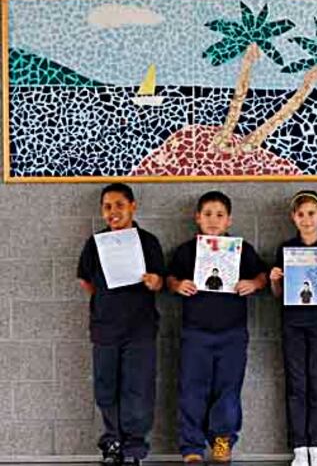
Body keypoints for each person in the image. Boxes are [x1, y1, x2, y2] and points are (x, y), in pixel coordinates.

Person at [167, 191, 268, 464]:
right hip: (195, 333)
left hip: (232, 333)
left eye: (220, 215)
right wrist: (177, 285)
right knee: (192, 388)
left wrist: (254, 284)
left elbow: (262, 275)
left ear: (229, 221)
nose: (213, 220)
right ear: (197, 217)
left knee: (228, 389)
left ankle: (222, 441)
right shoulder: (187, 251)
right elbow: (170, 279)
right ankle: (192, 446)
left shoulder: (241, 249)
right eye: (208, 214)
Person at [77, 183, 164, 466]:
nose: (113, 212)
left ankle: (134, 448)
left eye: (119, 205)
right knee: (106, 387)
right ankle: (112, 442)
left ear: (132, 206)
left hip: (140, 329)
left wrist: (154, 282)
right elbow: (85, 280)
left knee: (137, 388)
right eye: (107, 207)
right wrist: (106, 301)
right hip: (105, 328)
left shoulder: (148, 241)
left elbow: (161, 280)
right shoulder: (95, 243)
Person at [270, 190, 317, 466]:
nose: (306, 219)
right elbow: (278, 294)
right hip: (292, 323)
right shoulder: (285, 249)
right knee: (297, 384)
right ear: (293, 217)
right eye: (300, 214)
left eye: (311, 213)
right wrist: (275, 279)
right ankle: (299, 446)